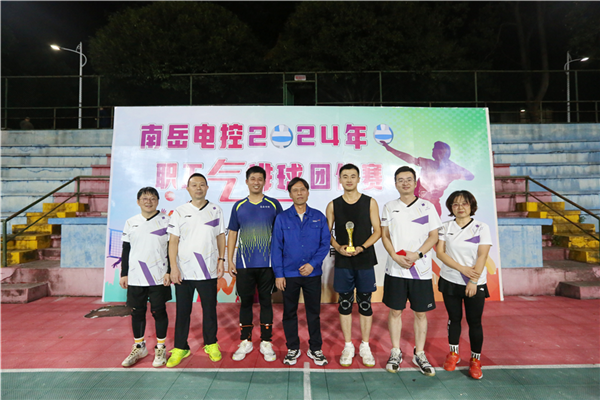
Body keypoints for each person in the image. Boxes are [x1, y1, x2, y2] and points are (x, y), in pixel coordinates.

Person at [381, 166, 442, 376]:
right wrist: (394, 256)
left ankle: (420, 353)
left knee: (420, 313)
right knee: (395, 311)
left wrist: (418, 255)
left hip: (420, 270)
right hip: (396, 269)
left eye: (408, 179)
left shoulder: (427, 207)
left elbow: (434, 236)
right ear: (395, 183)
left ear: (415, 183)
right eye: (400, 180)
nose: (405, 183)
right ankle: (395, 351)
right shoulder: (389, 207)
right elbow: (385, 235)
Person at [166, 173, 226, 367]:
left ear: (207, 188)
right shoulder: (179, 211)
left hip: (208, 270)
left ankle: (211, 343)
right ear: (188, 189)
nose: (198, 188)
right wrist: (174, 267)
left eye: (202, 185)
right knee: (183, 311)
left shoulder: (216, 210)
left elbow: (220, 237)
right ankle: (180, 347)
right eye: (194, 185)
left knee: (209, 310)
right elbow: (173, 241)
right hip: (184, 271)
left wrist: (221, 260)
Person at [325, 163, 381, 368]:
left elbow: (378, 231)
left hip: (364, 260)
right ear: (340, 179)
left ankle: (365, 345)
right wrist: (338, 247)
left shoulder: (370, 202)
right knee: (345, 303)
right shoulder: (333, 205)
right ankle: (348, 345)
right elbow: (327, 233)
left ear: (359, 179)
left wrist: (362, 247)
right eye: (345, 176)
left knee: (365, 304)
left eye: (352, 176)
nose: (349, 180)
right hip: (343, 261)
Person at [271, 177, 331, 366]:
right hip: (289, 275)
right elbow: (276, 247)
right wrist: (279, 274)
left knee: (314, 312)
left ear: (308, 192)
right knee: (289, 312)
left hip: (312, 274)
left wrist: (313, 264)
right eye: (295, 190)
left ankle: (315, 348)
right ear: (290, 194)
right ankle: (293, 348)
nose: (299, 193)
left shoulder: (319, 216)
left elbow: (325, 243)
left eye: (302, 189)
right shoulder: (282, 218)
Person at [228, 166, 283, 362]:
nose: (256, 182)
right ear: (247, 182)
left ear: (265, 182)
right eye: (253, 179)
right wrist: (230, 259)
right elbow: (233, 233)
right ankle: (246, 341)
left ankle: (266, 342)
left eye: (260, 179)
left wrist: (280, 261)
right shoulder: (239, 206)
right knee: (246, 303)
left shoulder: (273, 204)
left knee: (266, 302)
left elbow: (280, 233)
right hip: (244, 264)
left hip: (268, 264)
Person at [436, 190, 492, 380]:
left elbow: (482, 255)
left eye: (464, 203)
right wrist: (462, 269)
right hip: (450, 280)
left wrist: (473, 280)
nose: (460, 207)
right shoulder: (445, 227)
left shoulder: (481, 227)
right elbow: (440, 253)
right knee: (454, 318)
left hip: (475, 282)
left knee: (474, 321)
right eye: (456, 204)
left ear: (471, 206)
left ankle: (475, 360)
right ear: (451, 207)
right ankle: (453, 354)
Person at [119, 187, 171, 368]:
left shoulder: (167, 221)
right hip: (136, 276)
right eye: (144, 198)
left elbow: (172, 249)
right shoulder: (131, 222)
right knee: (137, 311)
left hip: (159, 275)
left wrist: (169, 271)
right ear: (138, 201)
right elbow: (126, 250)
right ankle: (139, 346)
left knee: (159, 311)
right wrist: (124, 273)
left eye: (152, 198)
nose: (148, 202)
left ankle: (161, 348)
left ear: (158, 201)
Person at [380, 141, 474, 215]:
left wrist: (451, 168)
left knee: (433, 229)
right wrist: (390, 149)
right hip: (415, 201)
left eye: (435, 149)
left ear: (443, 152)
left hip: (433, 204)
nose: (432, 150)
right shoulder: (428, 162)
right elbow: (409, 158)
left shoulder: (452, 168)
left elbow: (470, 176)